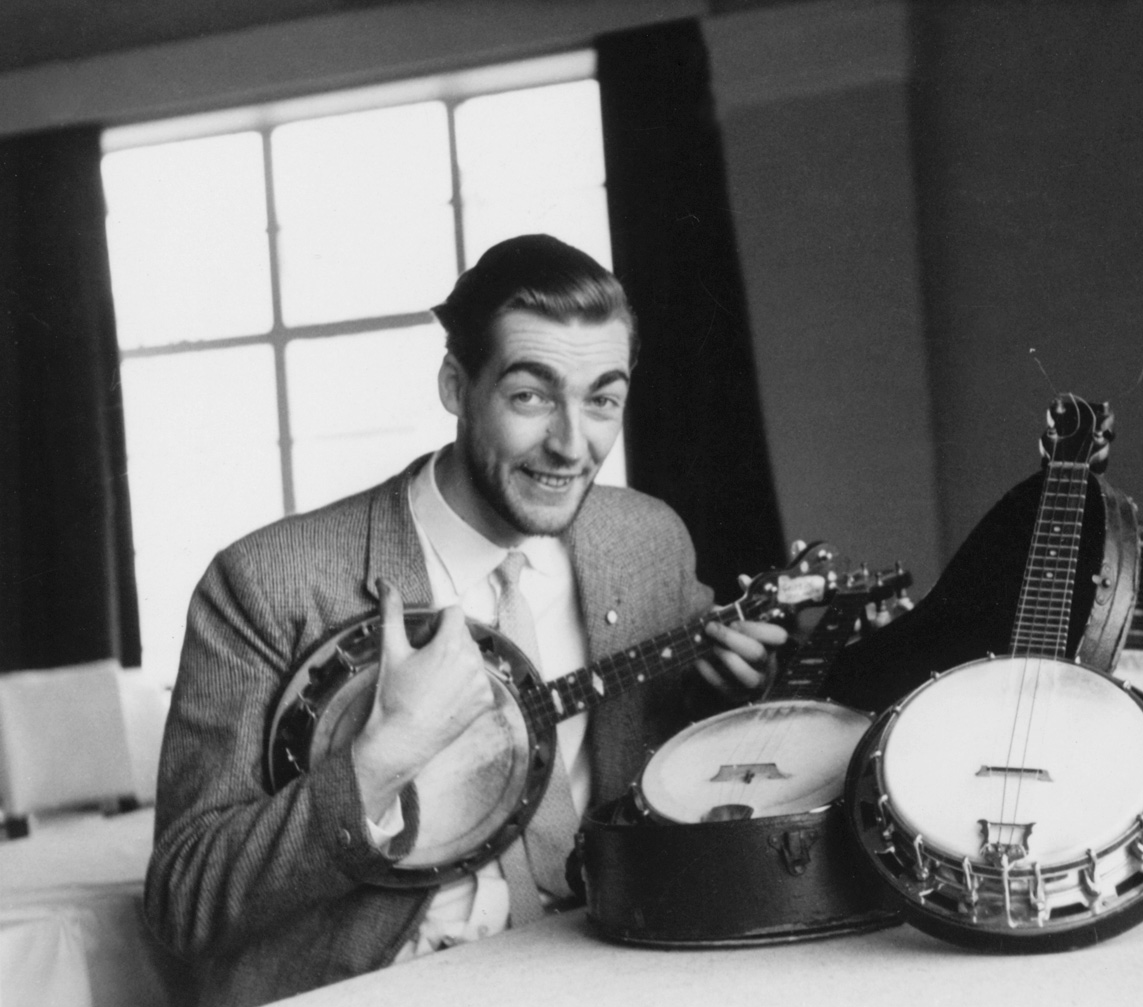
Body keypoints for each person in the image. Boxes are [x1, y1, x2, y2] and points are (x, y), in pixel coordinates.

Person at [144, 234, 788, 1007]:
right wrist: (377, 760)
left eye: (602, 400)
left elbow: (686, 777)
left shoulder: (646, 541)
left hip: (615, 965)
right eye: (530, 396)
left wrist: (728, 694)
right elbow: (183, 901)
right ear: (456, 384)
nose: (571, 444)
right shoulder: (266, 582)